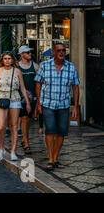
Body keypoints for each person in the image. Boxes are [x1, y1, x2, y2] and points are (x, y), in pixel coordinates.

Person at [35, 42, 80, 171]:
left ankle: (55, 158)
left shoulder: (71, 67)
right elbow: (38, 84)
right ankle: (50, 159)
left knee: (61, 132)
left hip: (64, 105)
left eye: (63, 51)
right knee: (50, 130)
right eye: (59, 50)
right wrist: (38, 103)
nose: (61, 53)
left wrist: (75, 106)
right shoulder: (45, 66)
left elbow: (75, 87)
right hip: (48, 104)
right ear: (53, 52)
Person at [0, 52, 31, 161]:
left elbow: (22, 87)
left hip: (15, 99)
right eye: (5, 58)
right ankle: (1, 148)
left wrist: (27, 102)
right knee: (0, 126)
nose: (7, 60)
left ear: (13, 60)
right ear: (2, 60)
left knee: (14, 126)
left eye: (9, 58)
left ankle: (13, 151)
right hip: (1, 98)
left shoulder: (17, 71)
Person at [18, 46, 39, 155]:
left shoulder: (35, 66)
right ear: (21, 54)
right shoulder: (17, 67)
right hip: (21, 98)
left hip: (33, 97)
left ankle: (24, 138)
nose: (30, 54)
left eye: (30, 52)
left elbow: (40, 81)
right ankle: (26, 142)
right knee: (24, 118)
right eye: (27, 52)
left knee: (28, 119)